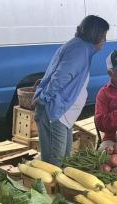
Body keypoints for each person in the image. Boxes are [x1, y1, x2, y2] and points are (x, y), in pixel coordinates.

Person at [33, 15, 109, 166]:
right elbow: (60, 78)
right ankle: (49, 189)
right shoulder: (80, 50)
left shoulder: (82, 48)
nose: (105, 40)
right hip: (57, 112)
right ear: (95, 35)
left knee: (65, 158)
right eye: (104, 35)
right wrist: (44, 98)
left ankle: (56, 187)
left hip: (63, 113)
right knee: (57, 160)